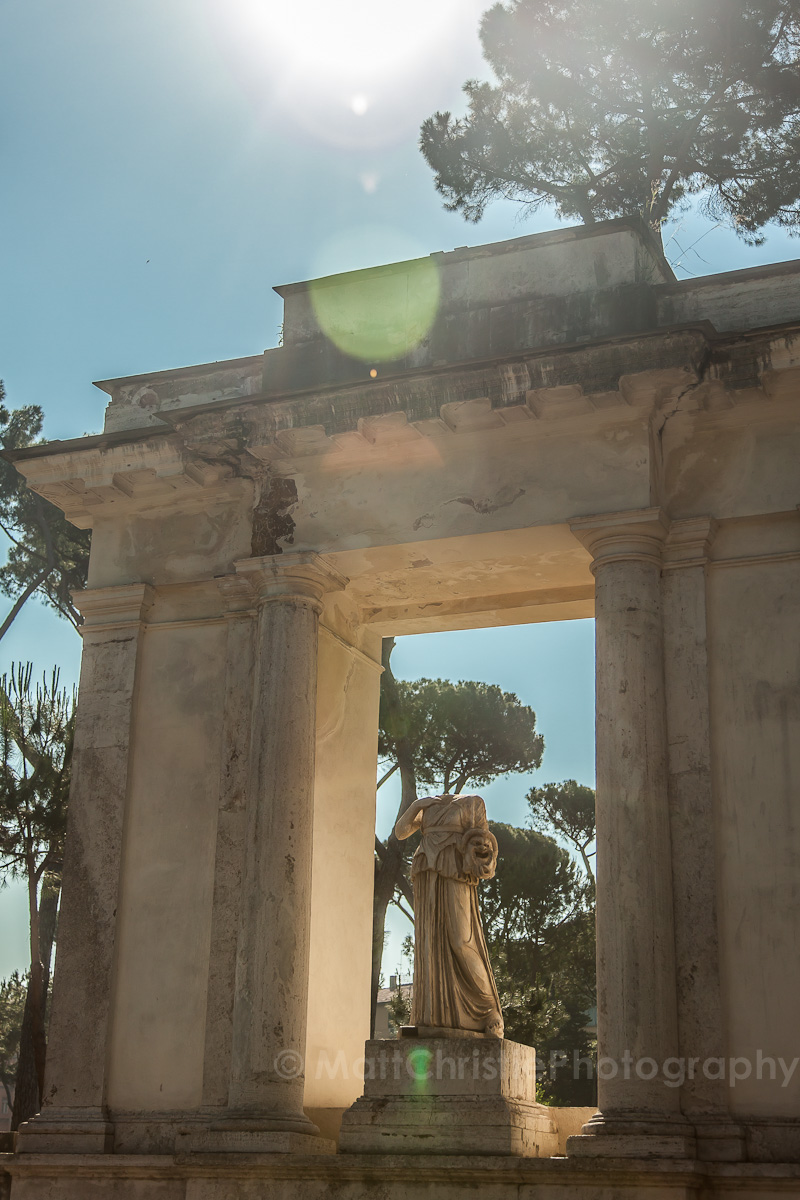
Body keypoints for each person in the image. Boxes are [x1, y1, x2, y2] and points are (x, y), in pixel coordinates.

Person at [394, 793, 504, 1037]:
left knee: (461, 940)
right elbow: (400, 832)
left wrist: (482, 849)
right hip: (426, 866)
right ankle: (431, 1017)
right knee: (429, 943)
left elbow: (486, 843)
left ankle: (489, 1010)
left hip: (454, 865)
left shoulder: (473, 802)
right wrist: (416, 806)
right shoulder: (427, 805)